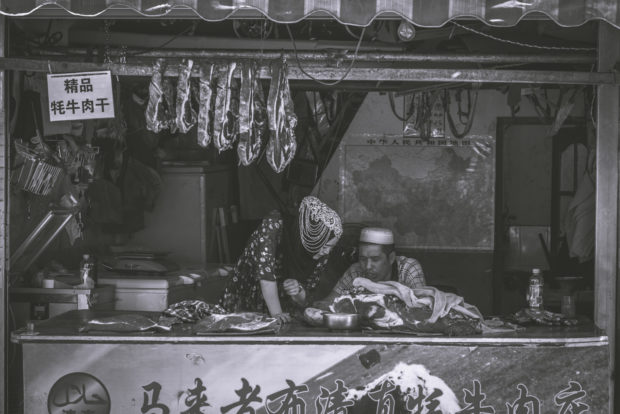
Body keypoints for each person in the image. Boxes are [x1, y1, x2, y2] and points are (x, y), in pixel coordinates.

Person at [219, 196, 343, 323]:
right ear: (312, 237)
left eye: (331, 247)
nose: (327, 251)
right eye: (326, 246)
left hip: (283, 310)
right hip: (246, 300)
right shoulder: (273, 224)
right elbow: (265, 275)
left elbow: (306, 298)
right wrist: (277, 314)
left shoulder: (321, 253)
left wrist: (297, 290)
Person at [313, 227, 426, 305]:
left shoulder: (408, 268)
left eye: (375, 259)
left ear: (391, 258)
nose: (367, 266)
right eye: (363, 259)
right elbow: (329, 302)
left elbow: (422, 306)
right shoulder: (355, 271)